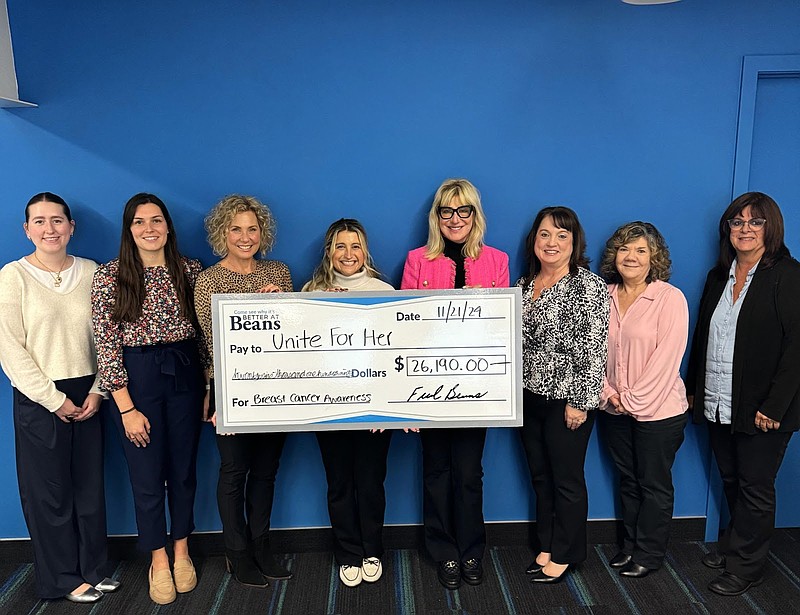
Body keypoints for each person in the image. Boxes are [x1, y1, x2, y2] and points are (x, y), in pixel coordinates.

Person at [0, 193, 118, 603]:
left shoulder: (92, 273)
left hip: (89, 391)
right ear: (27, 229)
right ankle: (61, 579)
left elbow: (109, 336)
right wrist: (53, 399)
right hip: (39, 395)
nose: (50, 229)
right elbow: (10, 348)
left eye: (57, 220)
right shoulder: (12, 277)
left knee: (89, 488)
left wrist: (100, 390)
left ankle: (94, 569)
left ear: (71, 227)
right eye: (40, 221)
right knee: (48, 493)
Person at [92, 193, 205, 605]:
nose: (149, 228)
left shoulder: (190, 271)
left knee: (184, 470)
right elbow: (106, 345)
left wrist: (208, 388)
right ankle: (157, 559)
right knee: (146, 475)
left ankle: (181, 550)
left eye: (156, 220)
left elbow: (210, 332)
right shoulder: (110, 276)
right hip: (137, 383)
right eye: (139, 222)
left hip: (185, 375)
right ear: (129, 229)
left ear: (168, 226)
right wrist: (125, 407)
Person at [686, 192, 800, 597]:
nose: (745, 229)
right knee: (732, 478)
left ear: (771, 228)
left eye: (755, 222)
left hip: (765, 409)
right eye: (737, 222)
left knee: (755, 485)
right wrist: (696, 390)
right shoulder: (719, 276)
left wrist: (774, 406)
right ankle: (737, 546)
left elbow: (796, 347)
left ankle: (746, 566)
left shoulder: (788, 274)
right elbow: (703, 337)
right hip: (719, 400)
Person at [401, 179, 509, 589]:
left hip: (475, 389)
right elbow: (404, 329)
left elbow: (501, 329)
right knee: (436, 471)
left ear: (475, 215)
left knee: (468, 473)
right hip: (428, 388)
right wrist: (406, 400)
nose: (455, 219)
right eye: (447, 211)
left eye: (464, 211)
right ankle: (443, 551)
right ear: (437, 217)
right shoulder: (417, 260)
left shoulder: (496, 261)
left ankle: (471, 550)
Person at [194, 195, 293, 588]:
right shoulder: (210, 280)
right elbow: (209, 342)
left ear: (262, 232)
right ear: (223, 233)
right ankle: (236, 552)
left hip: (278, 385)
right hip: (230, 387)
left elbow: (294, 333)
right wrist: (213, 392)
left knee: (267, 471)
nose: (245, 236)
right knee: (235, 471)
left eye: (252, 228)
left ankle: (261, 544)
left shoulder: (280, 273)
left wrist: (281, 305)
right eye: (236, 228)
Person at [518, 206, 608, 584]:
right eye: (544, 234)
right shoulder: (522, 285)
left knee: (566, 479)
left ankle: (567, 553)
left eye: (561, 235)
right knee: (540, 475)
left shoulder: (588, 286)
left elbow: (594, 348)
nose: (551, 242)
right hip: (526, 396)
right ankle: (547, 543)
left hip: (566, 400)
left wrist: (581, 402)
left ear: (575, 243)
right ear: (534, 240)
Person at [303, 218, 394, 587]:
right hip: (330, 408)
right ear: (329, 251)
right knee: (339, 482)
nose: (348, 254)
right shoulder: (311, 291)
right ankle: (348, 552)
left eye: (355, 246)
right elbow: (301, 352)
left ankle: (371, 548)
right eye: (340, 246)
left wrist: (387, 405)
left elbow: (395, 354)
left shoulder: (384, 289)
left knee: (371, 481)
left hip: (375, 410)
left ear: (365, 251)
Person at [598, 222, 689, 578]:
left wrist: (630, 399)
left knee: (653, 483)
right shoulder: (603, 296)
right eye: (624, 249)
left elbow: (667, 358)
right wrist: (608, 394)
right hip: (612, 406)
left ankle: (649, 554)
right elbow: (593, 353)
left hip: (659, 411)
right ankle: (630, 545)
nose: (631, 257)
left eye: (640, 250)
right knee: (628, 479)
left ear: (654, 257)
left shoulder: (669, 298)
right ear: (614, 255)